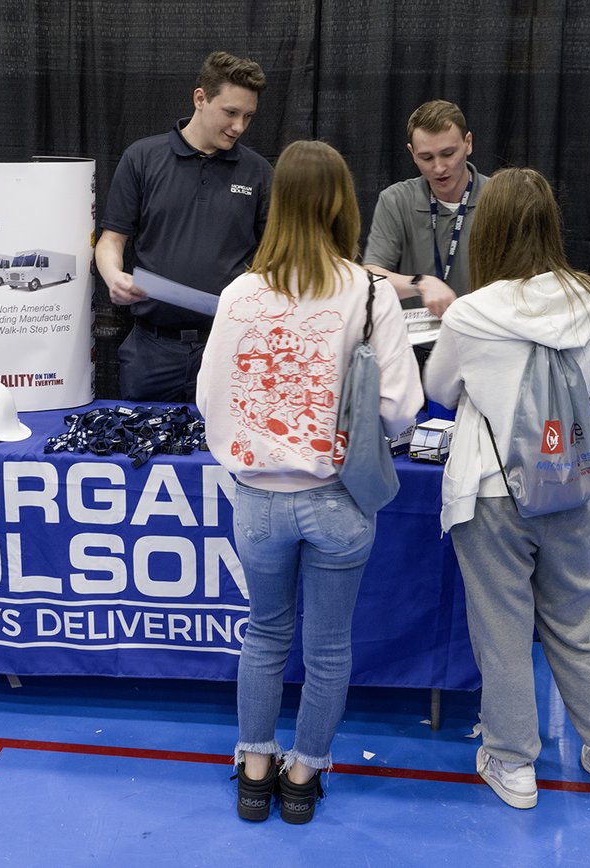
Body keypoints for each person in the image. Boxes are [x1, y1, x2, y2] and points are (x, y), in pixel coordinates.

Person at [197, 141, 422, 824]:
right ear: (341, 203)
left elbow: (210, 396)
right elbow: (402, 409)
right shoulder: (370, 290)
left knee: (264, 634)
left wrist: (250, 456)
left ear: (279, 205)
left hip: (261, 498)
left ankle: (255, 767)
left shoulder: (240, 292)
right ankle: (303, 777)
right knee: (328, 645)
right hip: (340, 499)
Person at [424, 167, 590, 810]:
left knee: (503, 631)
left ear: (488, 229)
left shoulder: (470, 312)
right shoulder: (588, 301)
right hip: (567, 485)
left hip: (490, 492)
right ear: (550, 224)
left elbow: (437, 388)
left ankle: (515, 766)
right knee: (578, 623)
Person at [96, 50, 273, 403]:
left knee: (223, 456)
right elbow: (111, 241)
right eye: (231, 112)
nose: (239, 126)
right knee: (140, 454)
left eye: (248, 116)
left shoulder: (258, 172)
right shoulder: (143, 158)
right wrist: (113, 277)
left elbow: (275, 257)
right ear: (200, 98)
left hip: (228, 347)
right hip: (152, 349)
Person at [363, 99, 491, 319]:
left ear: (468, 143)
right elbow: (370, 277)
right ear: (412, 153)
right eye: (426, 158)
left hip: (483, 340)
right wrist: (419, 283)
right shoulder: (396, 200)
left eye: (448, 154)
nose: (439, 167)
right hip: (418, 345)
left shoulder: (498, 198)